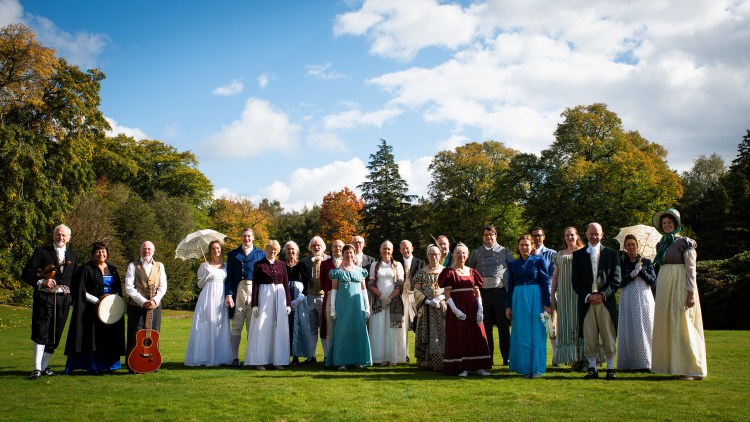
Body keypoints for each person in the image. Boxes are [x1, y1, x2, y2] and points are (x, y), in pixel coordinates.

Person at [651, 208, 707, 380]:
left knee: (683, 324)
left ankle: (691, 368)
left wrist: (690, 293)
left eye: (669, 223)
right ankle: (675, 366)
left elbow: (691, 270)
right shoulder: (661, 244)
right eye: (664, 223)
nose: (666, 225)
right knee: (669, 325)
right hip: (665, 287)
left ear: (676, 224)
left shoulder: (685, 243)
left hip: (680, 286)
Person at [22, 224, 78, 379]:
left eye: (64, 235)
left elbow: (74, 279)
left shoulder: (73, 256)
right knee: (41, 330)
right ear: (53, 236)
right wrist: (41, 282)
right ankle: (36, 368)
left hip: (63, 300)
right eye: (58, 234)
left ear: (69, 238)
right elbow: (26, 273)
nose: (60, 237)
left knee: (56, 333)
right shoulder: (42, 251)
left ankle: (44, 366)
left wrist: (72, 298)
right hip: (44, 297)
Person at [64, 242, 125, 374]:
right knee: (92, 337)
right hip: (91, 309)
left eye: (103, 251)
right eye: (98, 251)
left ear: (107, 253)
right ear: (93, 254)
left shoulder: (113, 269)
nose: (101, 254)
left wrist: (112, 300)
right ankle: (93, 366)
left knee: (109, 337)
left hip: (110, 309)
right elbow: (80, 290)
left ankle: (109, 366)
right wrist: (99, 301)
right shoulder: (86, 269)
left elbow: (118, 289)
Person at [571, 223, 621, 380]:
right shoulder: (578, 255)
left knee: (608, 334)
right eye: (591, 234)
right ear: (586, 234)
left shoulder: (612, 254)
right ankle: (592, 369)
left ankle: (610, 369)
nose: (594, 236)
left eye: (597, 234)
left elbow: (616, 279)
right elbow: (575, 281)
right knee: (589, 335)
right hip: (587, 302)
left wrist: (603, 295)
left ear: (602, 235)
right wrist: (588, 296)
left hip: (605, 301)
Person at [439, 242, 492, 377]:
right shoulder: (449, 272)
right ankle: (462, 367)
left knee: (477, 335)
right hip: (458, 309)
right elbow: (447, 293)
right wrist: (455, 310)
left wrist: (480, 309)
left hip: (473, 308)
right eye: (458, 253)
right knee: (460, 336)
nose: (461, 255)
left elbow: (477, 292)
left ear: (467, 255)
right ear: (453, 255)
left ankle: (479, 366)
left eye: (463, 253)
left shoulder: (472, 272)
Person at [468, 225, 514, 366]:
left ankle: (507, 357)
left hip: (500, 293)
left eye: (491, 234)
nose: (489, 237)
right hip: (483, 294)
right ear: (483, 237)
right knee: (485, 326)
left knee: (503, 326)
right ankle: (487, 356)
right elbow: (471, 272)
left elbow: (512, 271)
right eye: (486, 235)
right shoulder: (476, 253)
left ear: (496, 235)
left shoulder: (505, 251)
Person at [505, 235, 550, 378]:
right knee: (521, 331)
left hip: (536, 297)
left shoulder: (539, 261)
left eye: (527, 245)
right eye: (521, 245)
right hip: (518, 298)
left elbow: (544, 283)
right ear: (518, 247)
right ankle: (524, 368)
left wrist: (547, 304)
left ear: (532, 246)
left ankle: (536, 368)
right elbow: (510, 286)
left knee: (537, 331)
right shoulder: (513, 264)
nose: (524, 247)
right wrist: (508, 306)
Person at [184, 240, 233, 367]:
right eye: (213, 248)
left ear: (221, 249)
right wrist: (206, 275)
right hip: (207, 297)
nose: (216, 250)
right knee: (205, 325)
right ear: (210, 251)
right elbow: (199, 285)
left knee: (219, 326)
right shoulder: (204, 265)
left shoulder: (227, 265)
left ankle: (219, 357)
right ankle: (204, 357)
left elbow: (229, 283)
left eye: (218, 248)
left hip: (221, 298)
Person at [245, 240, 291, 370]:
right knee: (262, 327)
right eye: (271, 249)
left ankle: (277, 360)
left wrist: (288, 303)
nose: (273, 251)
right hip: (264, 298)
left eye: (275, 249)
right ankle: (260, 360)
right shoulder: (259, 264)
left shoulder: (282, 264)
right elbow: (255, 285)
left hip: (279, 297)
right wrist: (255, 304)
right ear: (267, 249)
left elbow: (286, 284)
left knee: (278, 329)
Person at [326, 244, 372, 370]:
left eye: (351, 253)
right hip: (343, 306)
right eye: (346, 253)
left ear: (354, 254)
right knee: (342, 332)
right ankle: (341, 361)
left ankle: (358, 360)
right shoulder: (337, 272)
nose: (349, 255)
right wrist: (333, 309)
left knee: (358, 331)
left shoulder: (360, 271)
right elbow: (334, 291)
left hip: (358, 306)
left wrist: (367, 307)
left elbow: (364, 290)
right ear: (343, 255)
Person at [225, 228, 266, 367]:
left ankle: (251, 358)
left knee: (252, 326)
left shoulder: (261, 254)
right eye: (244, 236)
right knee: (236, 324)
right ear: (241, 237)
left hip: (254, 291)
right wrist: (228, 294)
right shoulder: (233, 254)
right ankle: (234, 357)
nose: (246, 239)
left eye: (249, 236)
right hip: (238, 291)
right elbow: (229, 277)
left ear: (253, 238)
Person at [125, 241, 168, 370]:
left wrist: (154, 300)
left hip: (155, 306)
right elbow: (128, 287)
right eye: (144, 248)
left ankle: (152, 364)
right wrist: (143, 301)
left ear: (153, 251)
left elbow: (163, 286)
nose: (146, 251)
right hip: (136, 307)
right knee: (136, 334)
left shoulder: (160, 266)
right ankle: (134, 364)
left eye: (149, 249)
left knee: (154, 333)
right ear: (140, 250)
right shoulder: (133, 265)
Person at [617, 234, 656, 371]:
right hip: (628, 297)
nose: (631, 247)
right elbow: (619, 283)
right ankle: (630, 363)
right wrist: (632, 274)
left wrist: (642, 271)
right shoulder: (622, 263)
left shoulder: (646, 261)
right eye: (628, 245)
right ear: (625, 247)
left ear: (637, 246)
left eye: (633, 244)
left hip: (644, 298)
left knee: (646, 326)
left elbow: (653, 281)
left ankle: (647, 362)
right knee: (630, 327)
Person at [550, 227, 587, 369]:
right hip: (564, 295)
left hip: (580, 293)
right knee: (567, 325)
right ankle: (573, 358)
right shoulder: (559, 254)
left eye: (572, 235)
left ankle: (584, 358)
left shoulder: (584, 251)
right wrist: (552, 294)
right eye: (567, 235)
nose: (569, 237)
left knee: (580, 324)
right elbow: (555, 276)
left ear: (577, 236)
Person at [367, 240, 407, 366]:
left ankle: (392, 358)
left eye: (389, 249)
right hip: (378, 302)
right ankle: (379, 358)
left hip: (394, 301)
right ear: (380, 249)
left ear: (392, 250)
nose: (386, 251)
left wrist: (389, 298)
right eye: (384, 248)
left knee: (392, 329)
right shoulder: (375, 265)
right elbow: (370, 283)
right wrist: (381, 297)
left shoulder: (398, 265)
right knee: (378, 327)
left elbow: (400, 284)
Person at [413, 244, 446, 371]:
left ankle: (443, 360)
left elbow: (450, 289)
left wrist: (440, 298)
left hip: (441, 308)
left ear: (440, 255)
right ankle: (426, 362)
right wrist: (426, 300)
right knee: (426, 333)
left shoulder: (445, 271)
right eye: (431, 254)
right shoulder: (421, 273)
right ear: (427, 256)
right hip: (426, 309)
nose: (434, 257)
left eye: (436, 254)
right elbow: (416, 290)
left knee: (442, 333)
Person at [284, 240, 313, 365]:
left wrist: (299, 299)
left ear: (296, 251)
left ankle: (296, 355)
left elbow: (308, 284)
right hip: (284, 299)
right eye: (288, 249)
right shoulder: (281, 265)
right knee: (285, 327)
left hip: (299, 301)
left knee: (299, 327)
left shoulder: (302, 265)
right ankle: (283, 355)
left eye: (293, 249)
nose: (291, 251)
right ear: (285, 251)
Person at [300, 236, 329, 362]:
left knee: (324, 328)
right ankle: (311, 355)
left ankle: (327, 355)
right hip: (309, 297)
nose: (316, 247)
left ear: (323, 247)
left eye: (318, 245)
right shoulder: (305, 261)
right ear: (310, 247)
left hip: (324, 297)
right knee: (310, 328)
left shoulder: (328, 260)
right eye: (314, 245)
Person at [531, 227, 556, 360]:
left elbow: (552, 275)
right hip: (532, 296)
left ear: (544, 237)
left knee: (550, 326)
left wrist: (546, 291)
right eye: (534, 236)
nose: (537, 238)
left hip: (548, 294)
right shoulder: (528, 253)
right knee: (535, 327)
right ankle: (536, 356)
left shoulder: (552, 254)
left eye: (539, 235)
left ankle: (556, 356)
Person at [399, 239, 426, 360]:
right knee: (402, 326)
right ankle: (404, 355)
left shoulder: (421, 263)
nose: (405, 250)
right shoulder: (397, 263)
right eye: (403, 248)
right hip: (401, 297)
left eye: (407, 248)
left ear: (412, 248)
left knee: (418, 326)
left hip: (415, 297)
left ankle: (420, 354)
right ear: (400, 250)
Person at [320, 239, 344, 361]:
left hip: (344, 298)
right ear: (332, 248)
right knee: (329, 325)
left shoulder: (348, 262)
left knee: (343, 325)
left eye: (340, 246)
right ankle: (329, 355)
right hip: (329, 297)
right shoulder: (325, 264)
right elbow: (322, 283)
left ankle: (343, 354)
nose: (338, 248)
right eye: (335, 246)